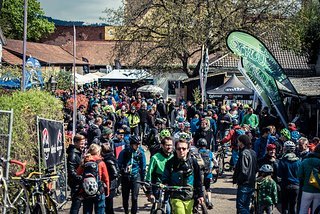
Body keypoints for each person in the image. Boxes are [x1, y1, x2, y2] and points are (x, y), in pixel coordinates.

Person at [162, 139, 204, 214]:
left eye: (184, 148)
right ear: (175, 149)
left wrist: (200, 195)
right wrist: (165, 184)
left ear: (188, 149)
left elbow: (198, 180)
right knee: (180, 212)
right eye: (179, 148)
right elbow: (165, 177)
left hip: (190, 196)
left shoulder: (193, 162)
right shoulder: (170, 163)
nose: (181, 150)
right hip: (175, 196)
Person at [77, 144, 110, 214]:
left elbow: (78, 173)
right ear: (98, 152)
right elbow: (106, 178)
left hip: (87, 190)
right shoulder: (101, 162)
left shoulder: (85, 161)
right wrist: (107, 190)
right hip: (99, 190)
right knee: (100, 210)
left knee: (87, 210)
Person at [118, 135, 147, 214]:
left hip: (135, 176)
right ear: (131, 144)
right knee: (125, 197)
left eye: (138, 144)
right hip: (125, 176)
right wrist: (122, 169)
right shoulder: (124, 152)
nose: (137, 146)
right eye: (136, 144)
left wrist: (142, 179)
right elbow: (119, 163)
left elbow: (143, 166)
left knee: (134, 197)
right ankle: (126, 211)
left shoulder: (140, 153)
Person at [145, 137, 174, 214]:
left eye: (171, 145)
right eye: (167, 145)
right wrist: (149, 192)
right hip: (157, 186)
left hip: (170, 186)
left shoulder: (174, 157)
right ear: (162, 145)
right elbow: (149, 175)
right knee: (157, 205)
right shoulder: (155, 158)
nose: (169, 147)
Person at [233, 134, 257, 214]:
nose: (237, 143)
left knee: (240, 206)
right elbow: (255, 168)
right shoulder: (253, 153)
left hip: (244, 184)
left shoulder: (243, 153)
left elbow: (244, 171)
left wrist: (238, 180)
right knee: (246, 205)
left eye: (238, 142)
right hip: (251, 182)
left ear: (241, 142)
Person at [278, 141, 301, 214]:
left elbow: (279, 175)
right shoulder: (299, 161)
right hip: (296, 186)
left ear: (285, 149)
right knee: (293, 206)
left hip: (285, 186)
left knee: (285, 207)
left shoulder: (282, 161)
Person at [297, 144, 320, 214]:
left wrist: (306, 180)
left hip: (306, 190)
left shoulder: (305, 161)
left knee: (303, 210)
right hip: (318, 191)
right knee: (316, 211)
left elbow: (299, 175)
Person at [67, 134, 85, 214]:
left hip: (79, 182)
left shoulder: (79, 152)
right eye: (81, 143)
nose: (83, 145)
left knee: (78, 205)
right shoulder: (73, 155)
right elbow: (71, 172)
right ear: (76, 143)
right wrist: (81, 178)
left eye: (84, 143)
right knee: (76, 205)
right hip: (76, 184)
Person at [197, 138, 217, 209]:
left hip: (199, 174)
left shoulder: (197, 153)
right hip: (208, 173)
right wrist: (215, 167)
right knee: (208, 188)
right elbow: (215, 162)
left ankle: (199, 203)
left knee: (198, 188)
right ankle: (209, 201)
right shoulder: (210, 153)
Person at [101, 143, 119, 214]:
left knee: (108, 205)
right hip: (111, 184)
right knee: (108, 205)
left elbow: (115, 173)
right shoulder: (111, 158)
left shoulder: (108, 160)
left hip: (110, 185)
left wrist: (106, 177)